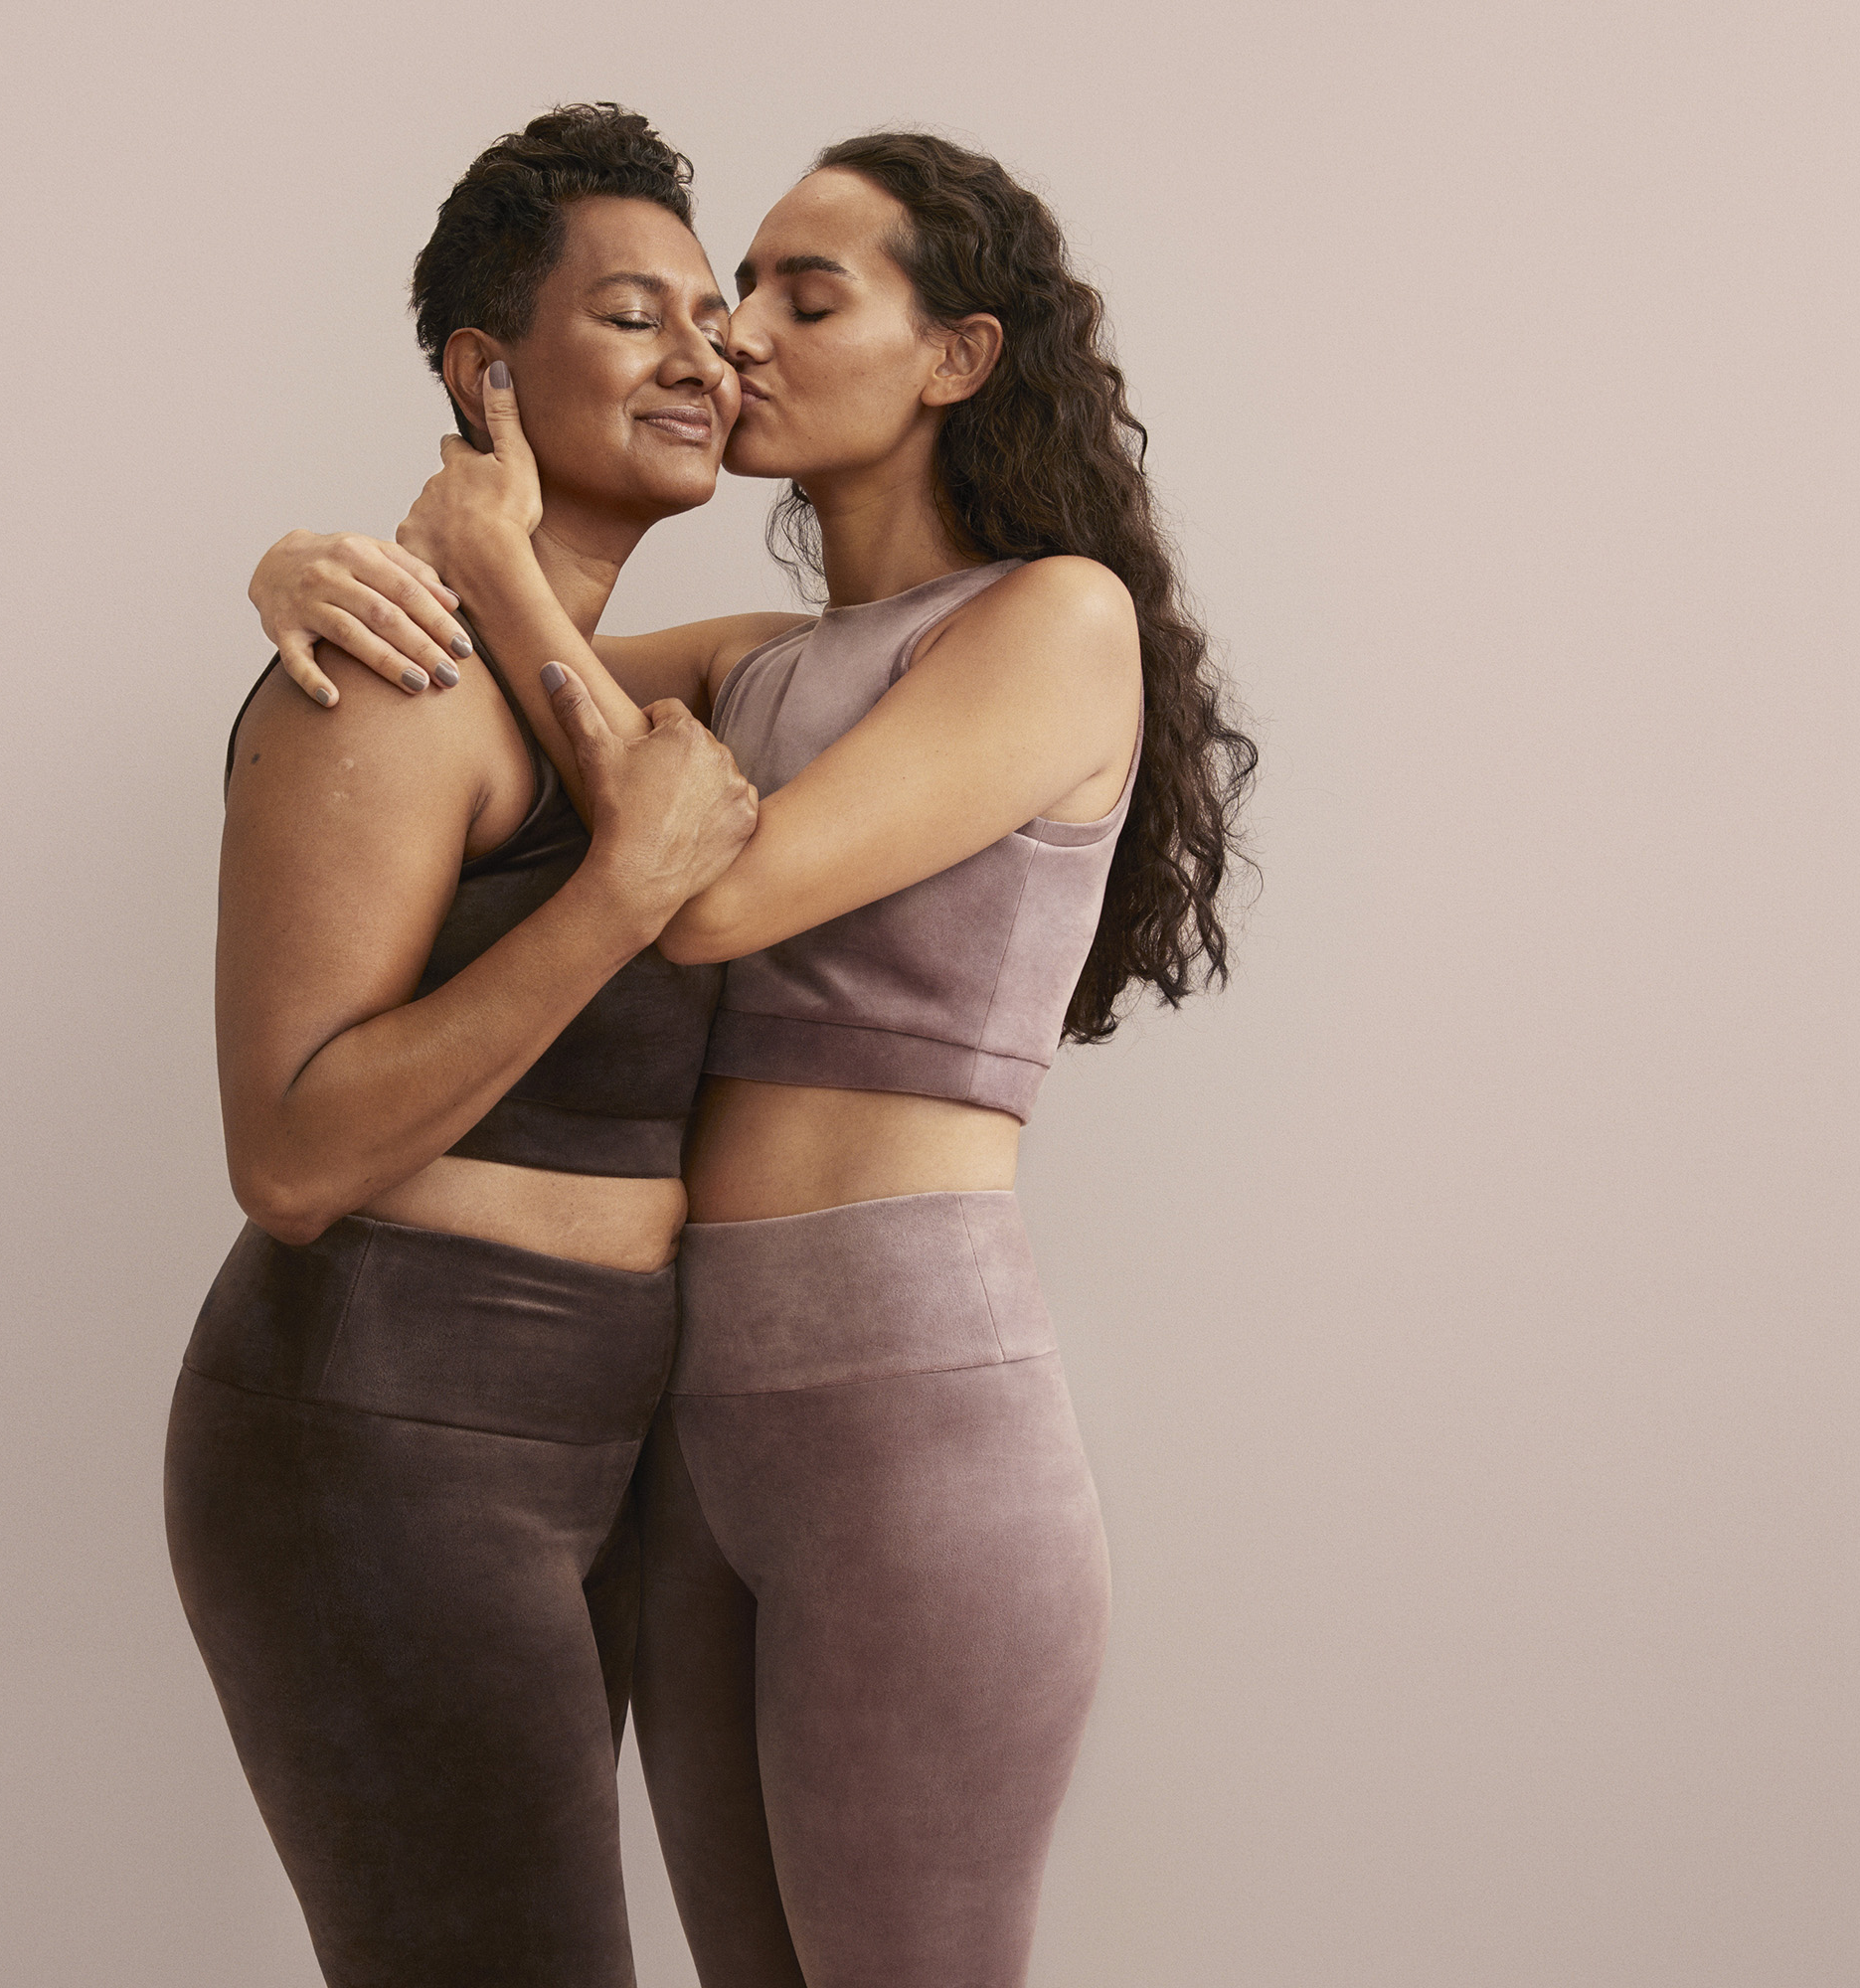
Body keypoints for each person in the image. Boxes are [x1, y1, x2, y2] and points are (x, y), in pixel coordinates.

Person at [251, 130, 1256, 1986]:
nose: (738, 343)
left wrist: (489, 563)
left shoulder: (1054, 620)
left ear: (956, 356)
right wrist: (307, 569)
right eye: (736, 297)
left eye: (807, 295)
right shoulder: (767, 667)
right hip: (688, 1417)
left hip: (910, 1406)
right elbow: (492, 691)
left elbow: (705, 889)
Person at [164, 105, 763, 1987]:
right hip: (385, 1434)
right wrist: (618, 893)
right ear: (483, 373)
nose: (703, 357)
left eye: (716, 317)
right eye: (635, 317)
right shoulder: (390, 683)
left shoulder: (639, 682)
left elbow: (933, 639)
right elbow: (290, 1154)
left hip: (604, 1430)